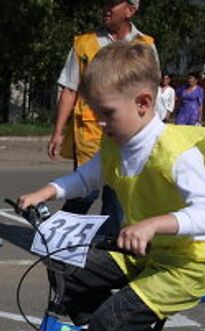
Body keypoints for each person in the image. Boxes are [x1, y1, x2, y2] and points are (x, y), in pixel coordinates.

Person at [17, 41, 205, 331]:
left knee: (109, 323)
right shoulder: (118, 144)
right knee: (70, 270)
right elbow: (88, 178)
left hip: (186, 265)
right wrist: (47, 191)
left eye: (107, 114)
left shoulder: (175, 153)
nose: (100, 123)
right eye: (95, 113)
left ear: (144, 103)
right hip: (144, 254)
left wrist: (155, 224)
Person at [48, 0, 156, 237]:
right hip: (90, 131)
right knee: (85, 191)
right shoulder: (84, 44)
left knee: (117, 195)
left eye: (113, 4)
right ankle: (57, 238)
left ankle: (105, 250)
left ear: (130, 10)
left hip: (128, 135)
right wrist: (58, 131)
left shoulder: (145, 45)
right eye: (104, 3)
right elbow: (69, 89)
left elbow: (151, 94)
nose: (106, 8)